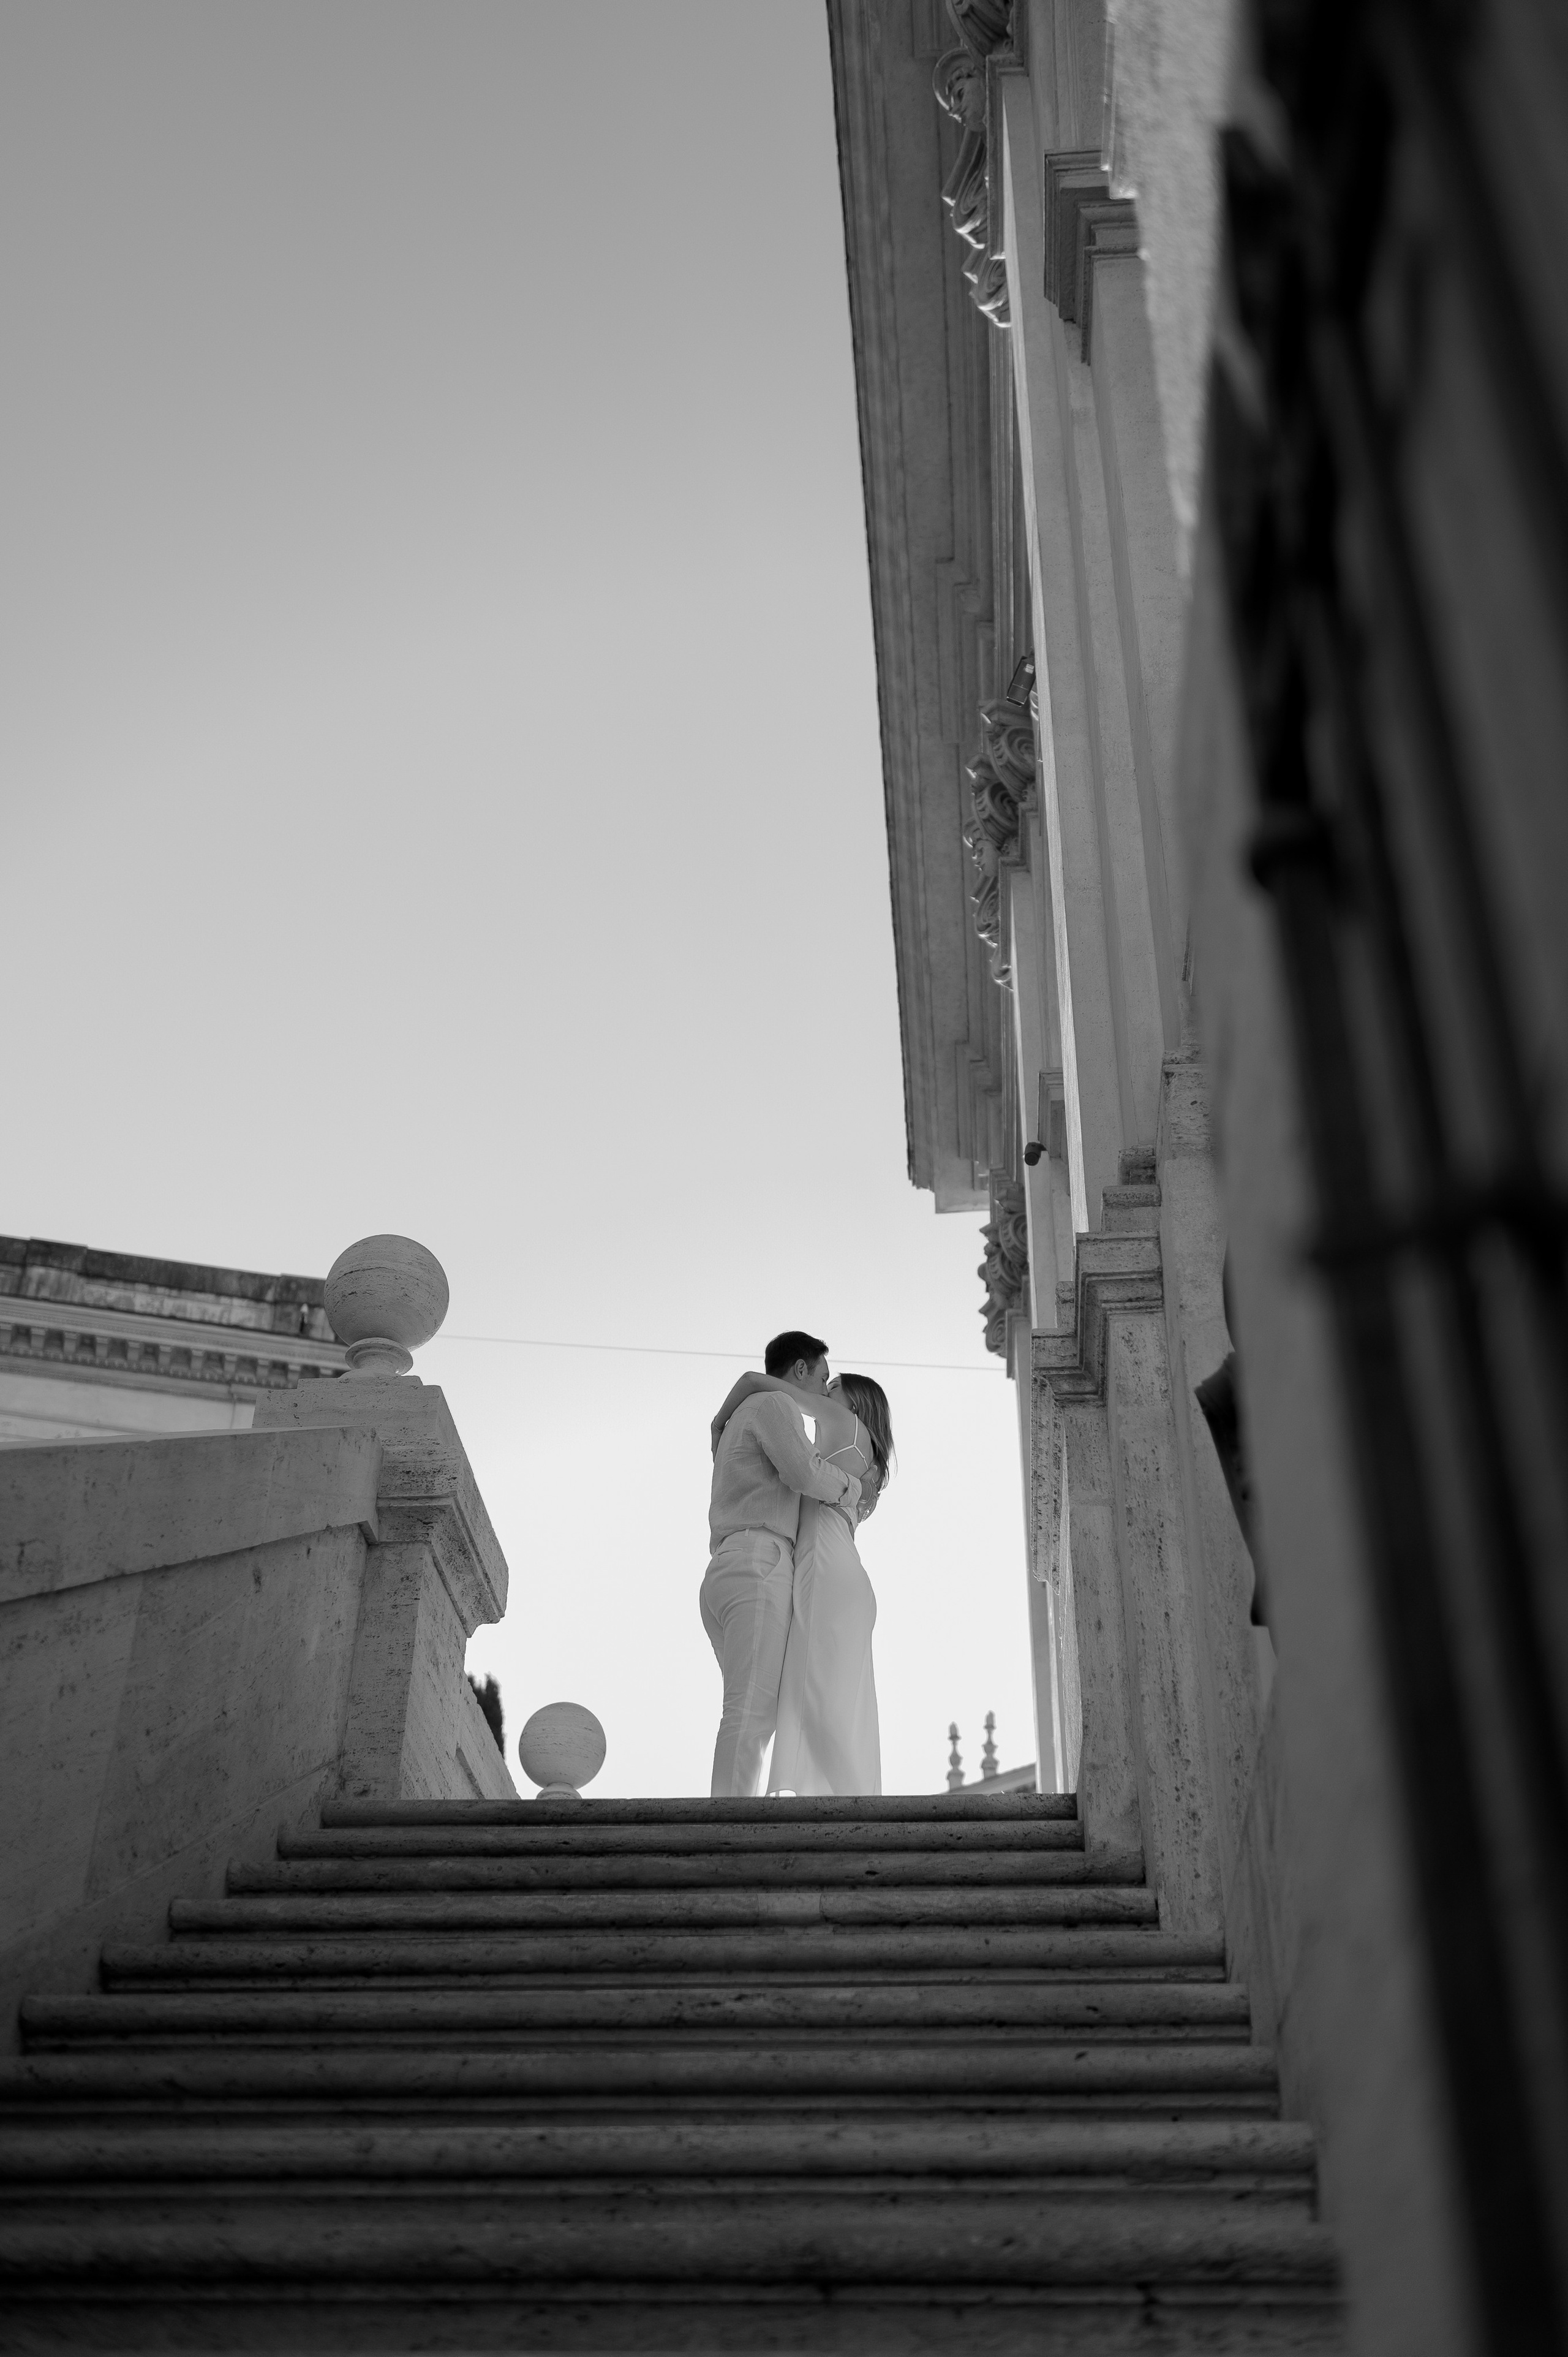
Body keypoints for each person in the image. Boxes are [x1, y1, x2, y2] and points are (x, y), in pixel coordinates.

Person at [709, 1364, 895, 1797]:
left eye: (834, 1387)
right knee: (813, 1698)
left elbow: (753, 1381)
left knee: (816, 1701)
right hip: (836, 1570)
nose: (824, 1393)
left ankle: (866, 1810)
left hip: (825, 1570)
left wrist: (719, 1423)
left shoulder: (844, 1422)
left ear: (855, 1403)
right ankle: (857, 1804)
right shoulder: (850, 1445)